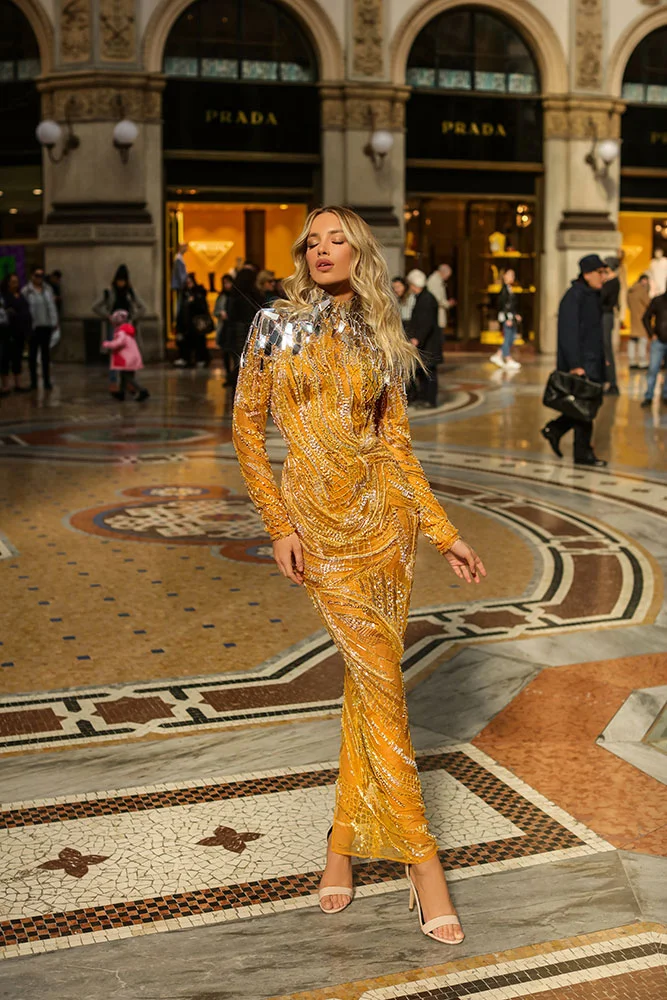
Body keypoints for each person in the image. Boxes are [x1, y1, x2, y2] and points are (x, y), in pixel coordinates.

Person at [232, 206, 486, 943]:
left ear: (359, 251)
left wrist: (443, 533)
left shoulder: (381, 328)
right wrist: (278, 524)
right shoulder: (273, 325)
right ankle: (422, 863)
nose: (321, 249)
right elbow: (247, 430)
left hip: (385, 530)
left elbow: (395, 446)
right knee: (380, 685)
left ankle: (341, 845)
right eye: (311, 240)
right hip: (318, 530)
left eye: (335, 237)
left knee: (369, 686)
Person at [541, 254, 607, 467]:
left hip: (592, 360)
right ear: (587, 274)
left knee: (587, 406)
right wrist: (575, 365)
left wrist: (602, 359)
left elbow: (593, 333)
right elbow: (568, 333)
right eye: (599, 272)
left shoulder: (591, 294)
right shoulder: (574, 296)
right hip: (582, 363)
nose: (603, 277)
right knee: (585, 408)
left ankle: (556, 430)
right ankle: (582, 453)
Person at [405, 269, 440, 408]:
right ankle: (424, 397)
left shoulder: (426, 299)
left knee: (429, 373)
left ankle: (430, 400)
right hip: (425, 343)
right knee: (423, 372)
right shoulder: (423, 297)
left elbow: (426, 322)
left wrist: (417, 338)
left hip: (428, 343)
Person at [22, 265, 58, 391]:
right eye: (37, 275)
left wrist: (54, 322)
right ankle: (33, 382)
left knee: (45, 355)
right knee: (32, 355)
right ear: (32, 276)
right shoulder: (26, 291)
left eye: (41, 275)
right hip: (33, 327)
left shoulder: (48, 289)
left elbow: (52, 307)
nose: (39, 278)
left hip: (46, 326)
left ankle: (47, 381)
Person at [225, 268, 262, 391]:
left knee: (239, 366)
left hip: (237, 336)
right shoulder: (250, 297)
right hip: (246, 335)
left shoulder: (234, 296)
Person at [102, 309, 149, 402]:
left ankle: (142, 390)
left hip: (126, 359)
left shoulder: (121, 332)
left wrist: (107, 344)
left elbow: (118, 343)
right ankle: (121, 392)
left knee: (127, 376)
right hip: (132, 358)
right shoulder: (127, 331)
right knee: (124, 375)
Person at [0, 274, 31, 394]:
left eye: (16, 281)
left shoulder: (21, 295)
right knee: (6, 358)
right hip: (8, 331)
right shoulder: (4, 297)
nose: (15, 284)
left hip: (20, 331)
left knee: (18, 357)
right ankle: (5, 386)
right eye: (13, 281)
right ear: (8, 283)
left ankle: (18, 384)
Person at [175, 273, 212, 368]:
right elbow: (181, 310)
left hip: (197, 323)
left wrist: (194, 301)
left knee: (199, 342)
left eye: (190, 282)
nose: (189, 284)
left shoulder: (199, 293)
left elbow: (203, 307)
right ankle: (187, 359)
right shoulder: (184, 294)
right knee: (186, 342)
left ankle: (201, 359)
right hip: (187, 324)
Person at [640, 286, 667, 408]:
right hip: (659, 341)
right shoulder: (658, 300)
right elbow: (646, 317)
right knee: (653, 369)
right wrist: (652, 334)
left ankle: (666, 395)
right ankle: (649, 396)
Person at [490, 269, 522, 371]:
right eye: (510, 275)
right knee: (508, 337)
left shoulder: (509, 289)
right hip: (506, 317)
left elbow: (511, 305)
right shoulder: (503, 290)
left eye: (513, 275)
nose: (512, 278)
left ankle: (499, 355)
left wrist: (515, 314)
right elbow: (503, 306)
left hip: (510, 316)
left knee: (511, 337)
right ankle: (507, 358)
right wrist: (508, 318)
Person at [601, 257, 621, 396]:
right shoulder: (608, 281)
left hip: (606, 316)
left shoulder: (613, 282)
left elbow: (605, 298)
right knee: (602, 349)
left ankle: (612, 382)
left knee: (606, 349)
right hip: (604, 316)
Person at [426, 263, 456, 354]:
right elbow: (437, 299)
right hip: (435, 314)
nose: (447, 279)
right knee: (436, 339)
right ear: (443, 273)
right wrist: (447, 303)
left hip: (438, 313)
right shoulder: (434, 280)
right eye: (447, 276)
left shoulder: (437, 280)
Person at [214, 273, 235, 384]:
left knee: (232, 352)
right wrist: (220, 313)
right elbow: (216, 311)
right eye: (225, 283)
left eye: (228, 282)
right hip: (224, 327)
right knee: (225, 352)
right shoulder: (222, 296)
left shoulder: (234, 296)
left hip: (232, 326)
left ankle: (232, 375)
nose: (227, 285)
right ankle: (228, 375)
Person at [627, 274, 650, 371]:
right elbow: (648, 303)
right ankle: (642, 362)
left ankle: (632, 361)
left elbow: (628, 304)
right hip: (641, 319)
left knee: (633, 341)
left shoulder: (631, 291)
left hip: (633, 318)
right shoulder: (642, 291)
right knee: (643, 340)